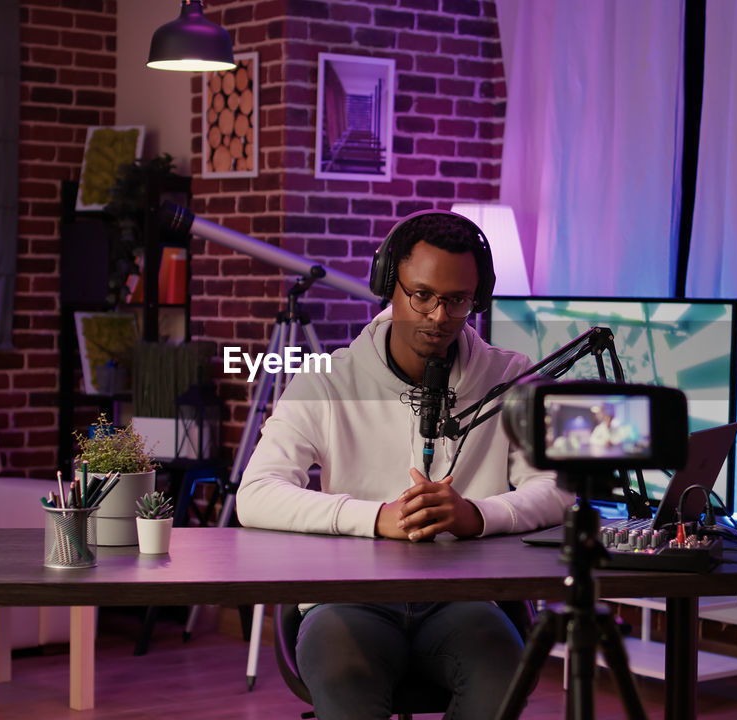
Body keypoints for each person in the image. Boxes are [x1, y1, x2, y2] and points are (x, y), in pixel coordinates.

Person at [237, 210, 574, 720]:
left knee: (503, 675)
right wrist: (376, 518)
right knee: (346, 683)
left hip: (465, 602)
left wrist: (477, 516)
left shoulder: (511, 377)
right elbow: (256, 492)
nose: (439, 316)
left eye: (457, 300)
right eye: (422, 295)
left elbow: (556, 489)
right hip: (347, 602)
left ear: (476, 299)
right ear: (387, 286)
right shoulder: (326, 379)